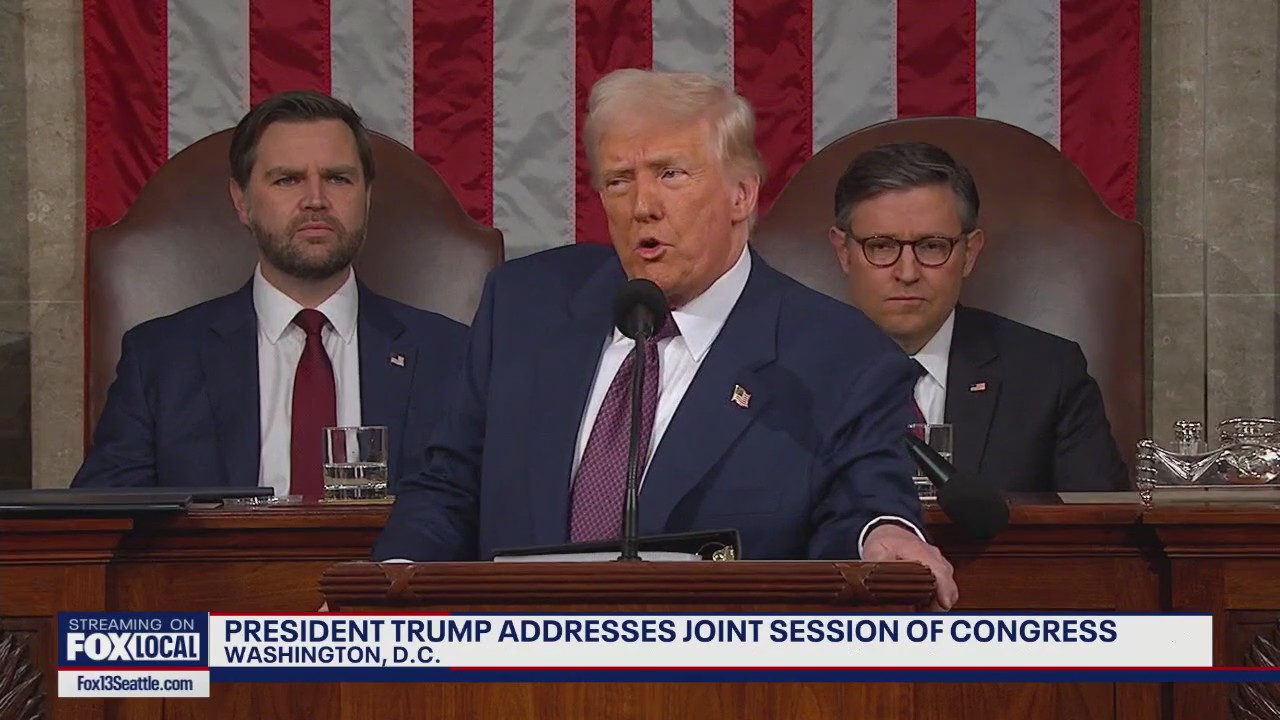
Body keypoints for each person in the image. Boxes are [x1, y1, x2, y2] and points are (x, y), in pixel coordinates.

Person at [373, 70, 957, 609]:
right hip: (516, 664)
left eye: (670, 174)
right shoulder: (525, 306)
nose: (642, 207)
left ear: (741, 194)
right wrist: (389, 585)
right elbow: (446, 487)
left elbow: (864, 500)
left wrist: (882, 534)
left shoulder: (838, 354)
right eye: (619, 181)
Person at [72, 90, 467, 497]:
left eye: (337, 178)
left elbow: (484, 507)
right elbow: (101, 518)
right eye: (287, 179)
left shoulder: (452, 357)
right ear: (241, 201)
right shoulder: (160, 360)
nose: (316, 200)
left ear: (366, 197)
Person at [828, 141, 1128, 493]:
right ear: (844, 252)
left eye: (932, 246)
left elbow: (1102, 522)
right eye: (881, 246)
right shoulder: (786, 376)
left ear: (969, 253)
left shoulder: (1049, 375)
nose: (907, 272)